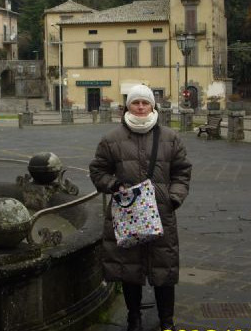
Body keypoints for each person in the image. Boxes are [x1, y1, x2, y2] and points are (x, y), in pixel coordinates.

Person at [89, 84, 192, 331]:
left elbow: (182, 172)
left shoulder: (170, 137)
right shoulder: (111, 139)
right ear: (128, 106)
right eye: (136, 102)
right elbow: (98, 171)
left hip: (162, 213)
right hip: (128, 213)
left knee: (164, 269)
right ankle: (133, 318)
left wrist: (174, 198)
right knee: (129, 270)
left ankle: (167, 320)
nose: (141, 107)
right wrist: (114, 185)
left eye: (145, 102)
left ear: (152, 106)